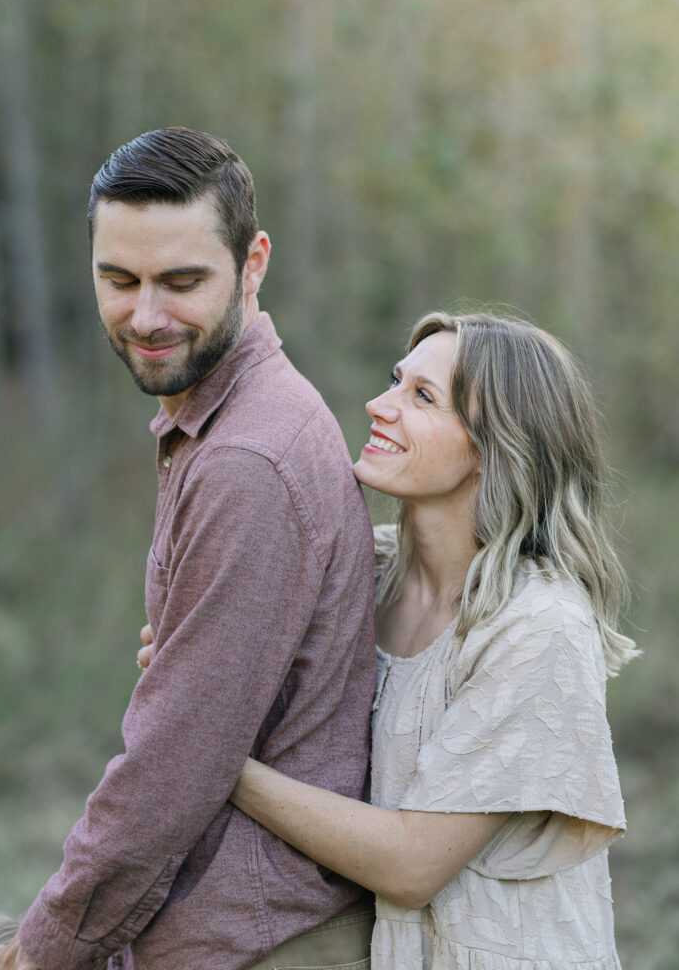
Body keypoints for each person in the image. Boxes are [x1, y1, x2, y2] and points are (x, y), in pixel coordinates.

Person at [0, 129, 377, 970]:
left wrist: (41, 950)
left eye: (181, 281)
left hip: (260, 944)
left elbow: (172, 769)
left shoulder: (248, 459)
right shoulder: (219, 421)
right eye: (118, 280)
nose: (146, 316)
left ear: (253, 263)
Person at [224, 311, 639, 969]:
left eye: (420, 397)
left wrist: (216, 760)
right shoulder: (363, 571)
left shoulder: (537, 626)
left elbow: (412, 863)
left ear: (493, 447)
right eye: (395, 381)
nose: (377, 406)